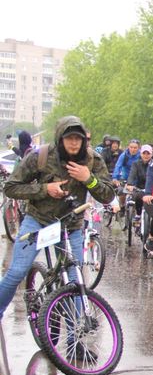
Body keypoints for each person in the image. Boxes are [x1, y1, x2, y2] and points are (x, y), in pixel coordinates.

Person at [0, 116, 115, 320]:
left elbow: (108, 195)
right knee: (17, 272)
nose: (74, 143)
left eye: (78, 138)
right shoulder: (41, 156)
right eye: (69, 138)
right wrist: (45, 189)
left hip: (71, 225)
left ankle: (75, 333)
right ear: (60, 138)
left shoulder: (92, 160)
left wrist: (88, 179)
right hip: (38, 221)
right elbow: (11, 187)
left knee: (75, 281)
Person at [126, 144, 153, 222]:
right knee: (137, 196)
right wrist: (130, 184)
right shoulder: (136, 164)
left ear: (151, 154)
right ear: (141, 154)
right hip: (140, 188)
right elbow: (132, 174)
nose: (146, 155)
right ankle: (138, 214)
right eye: (144, 153)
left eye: (148, 153)